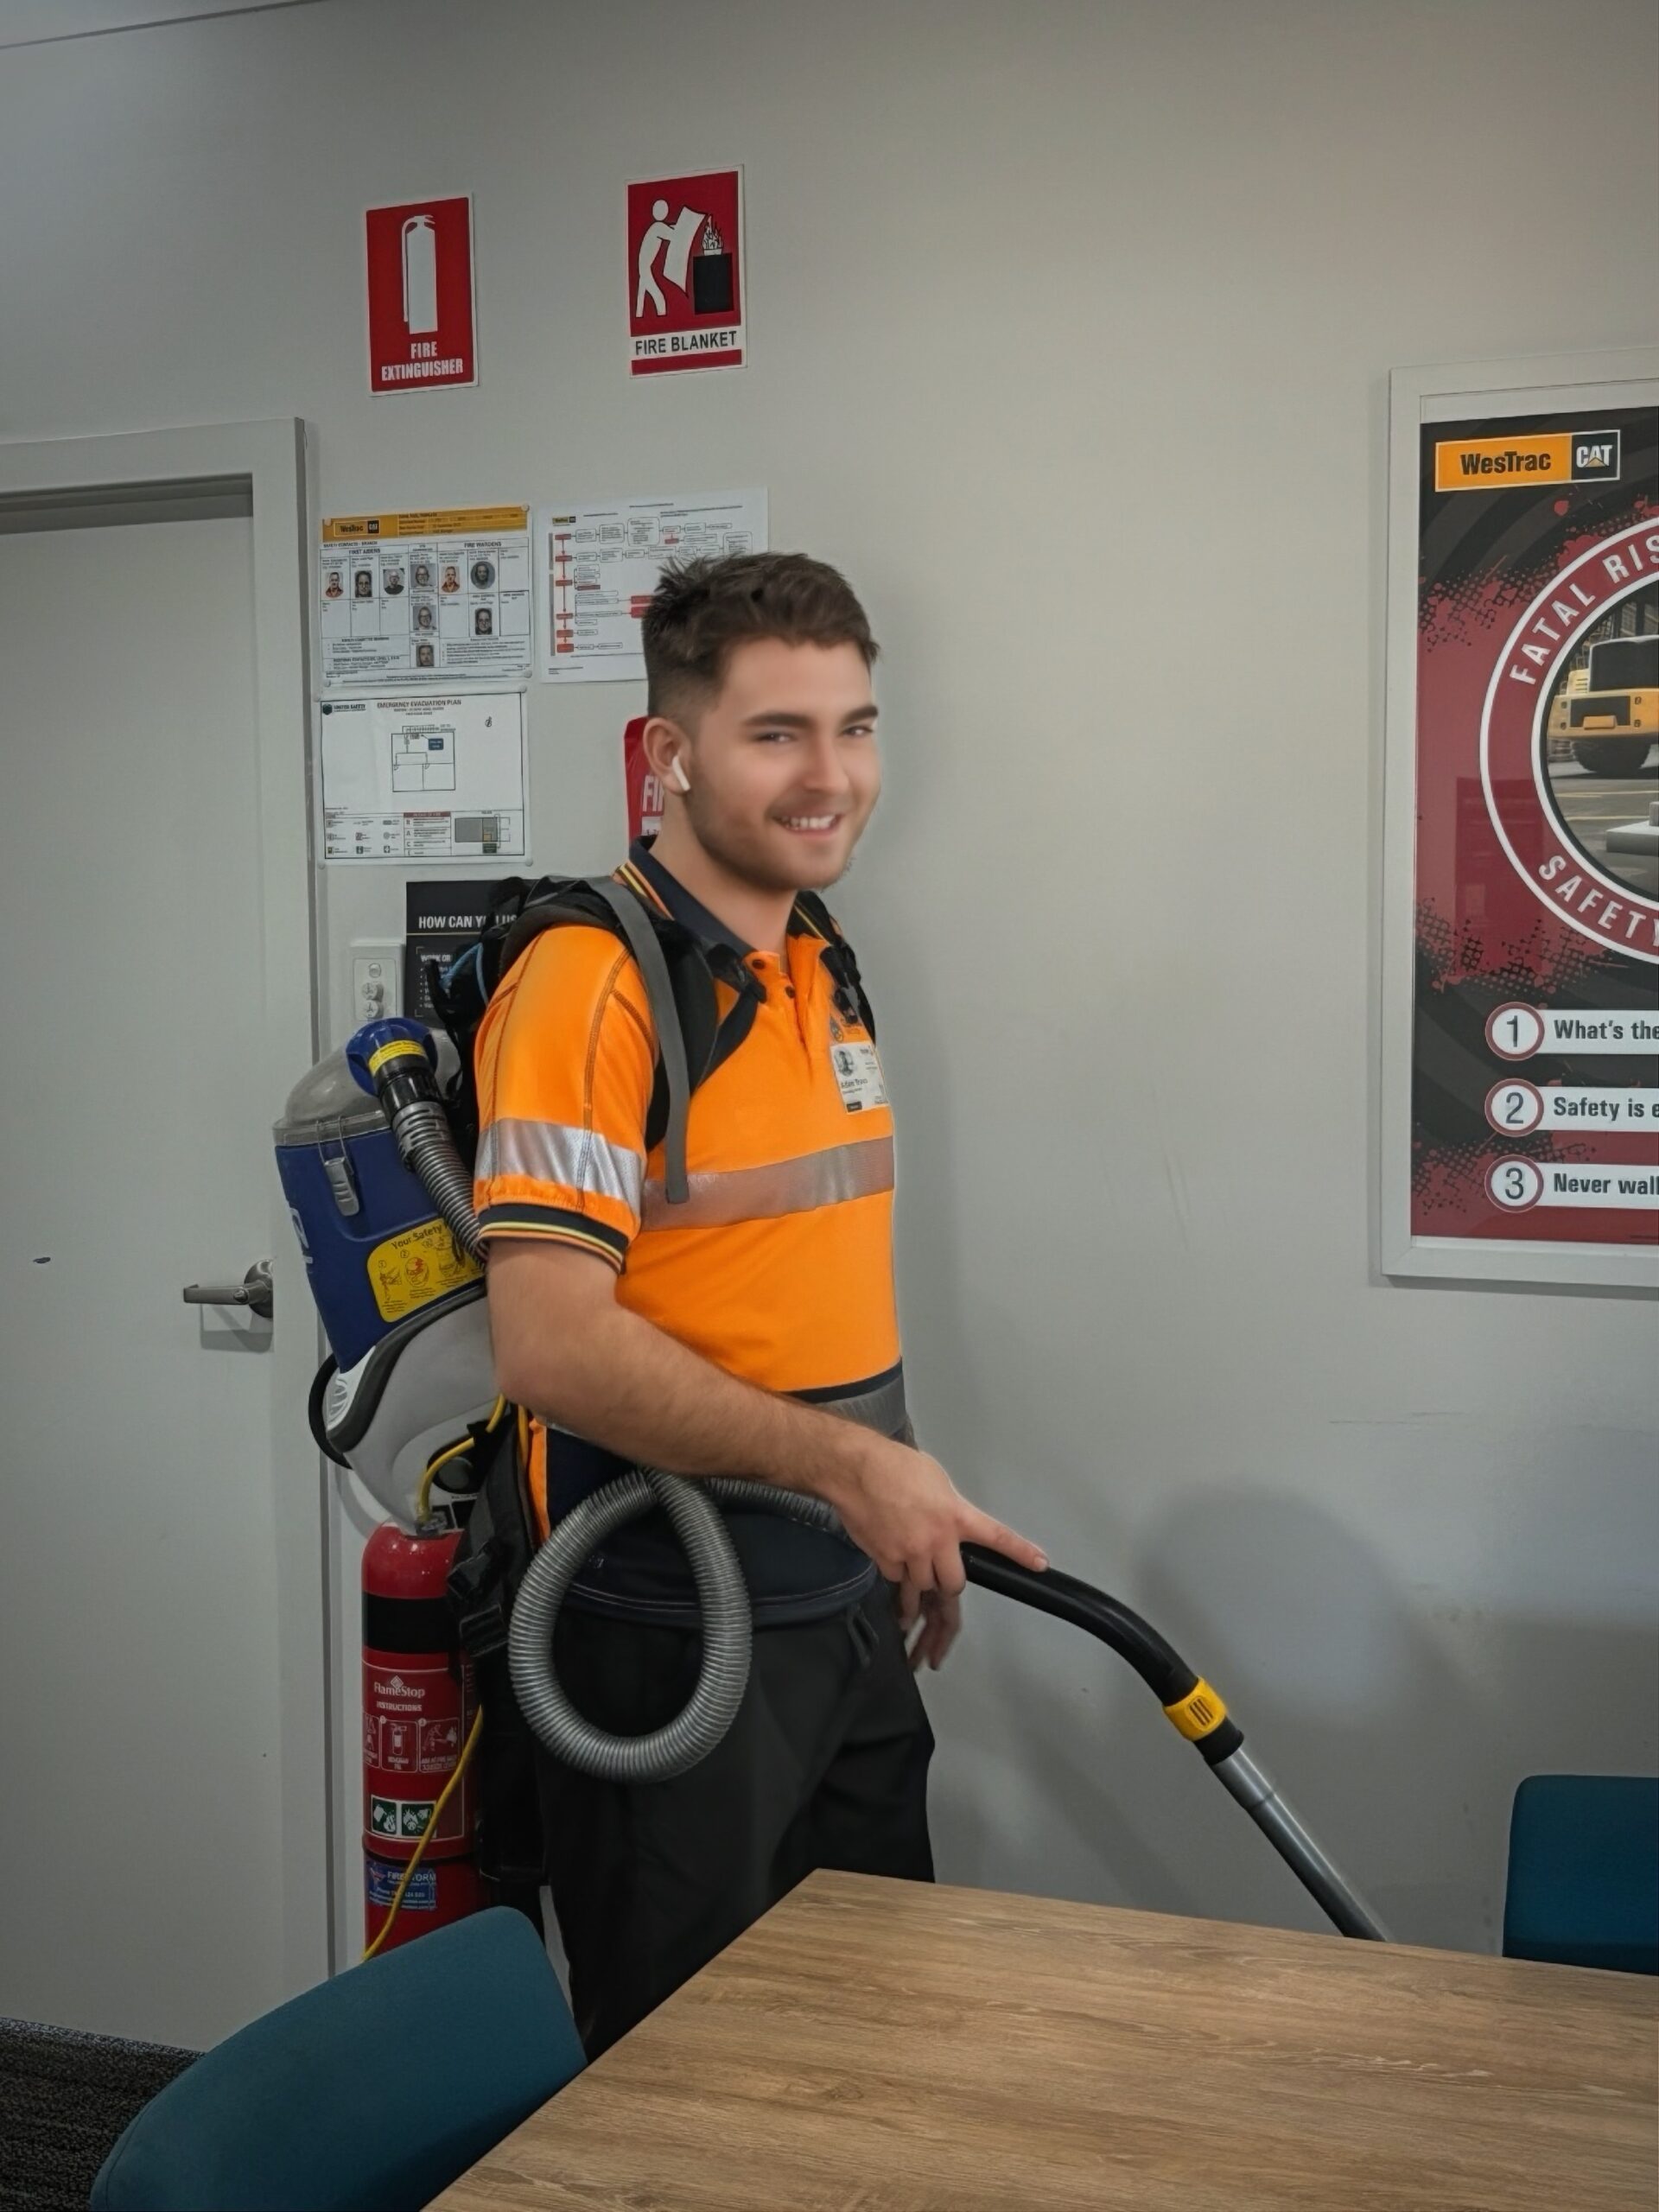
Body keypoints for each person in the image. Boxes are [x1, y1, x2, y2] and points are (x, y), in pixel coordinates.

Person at [474, 551, 1046, 2056]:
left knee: (869, 2043)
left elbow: (802, 1293)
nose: (830, 777)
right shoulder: (592, 983)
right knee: (686, 2080)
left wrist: (892, 1491)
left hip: (839, 1604)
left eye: (855, 729)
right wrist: (850, 1469)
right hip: (668, 1629)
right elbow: (548, 1343)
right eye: (777, 733)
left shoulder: (817, 954)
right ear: (668, 753)